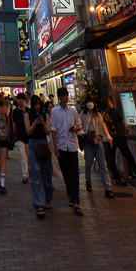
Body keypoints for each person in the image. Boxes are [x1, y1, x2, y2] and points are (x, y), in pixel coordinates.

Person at [50, 87, 84, 215]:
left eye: (67, 95)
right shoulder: (54, 111)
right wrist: (55, 147)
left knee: (74, 173)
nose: (66, 97)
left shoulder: (73, 111)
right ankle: (71, 195)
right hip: (61, 146)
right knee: (66, 173)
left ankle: (76, 201)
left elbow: (80, 126)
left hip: (72, 145)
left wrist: (75, 129)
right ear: (60, 97)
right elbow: (53, 129)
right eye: (64, 96)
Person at [103, 96, 136, 184]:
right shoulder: (115, 110)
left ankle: (117, 178)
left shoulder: (103, 114)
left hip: (110, 139)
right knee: (128, 155)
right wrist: (125, 130)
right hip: (119, 136)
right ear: (109, 102)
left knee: (112, 159)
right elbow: (122, 122)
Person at [24, 94, 53, 219]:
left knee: (47, 174)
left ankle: (47, 199)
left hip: (44, 144)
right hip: (33, 145)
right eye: (35, 104)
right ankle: (38, 204)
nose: (37, 106)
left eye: (38, 104)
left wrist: (43, 123)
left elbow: (48, 131)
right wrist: (35, 123)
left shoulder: (45, 115)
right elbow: (28, 131)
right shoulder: (27, 115)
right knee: (35, 174)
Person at [79, 98, 114, 198]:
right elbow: (79, 125)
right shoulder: (82, 114)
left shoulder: (98, 115)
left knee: (103, 164)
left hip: (98, 139)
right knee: (88, 162)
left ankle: (108, 188)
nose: (90, 104)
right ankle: (88, 181)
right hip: (87, 139)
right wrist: (81, 133)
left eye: (91, 102)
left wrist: (108, 138)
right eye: (88, 102)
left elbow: (103, 127)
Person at [12, 93, 30, 184]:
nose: (20, 101)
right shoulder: (15, 111)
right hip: (19, 135)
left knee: (28, 155)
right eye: (19, 99)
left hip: (28, 135)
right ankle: (25, 175)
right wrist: (14, 134)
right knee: (22, 155)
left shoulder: (29, 110)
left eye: (22, 99)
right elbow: (14, 123)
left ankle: (29, 172)